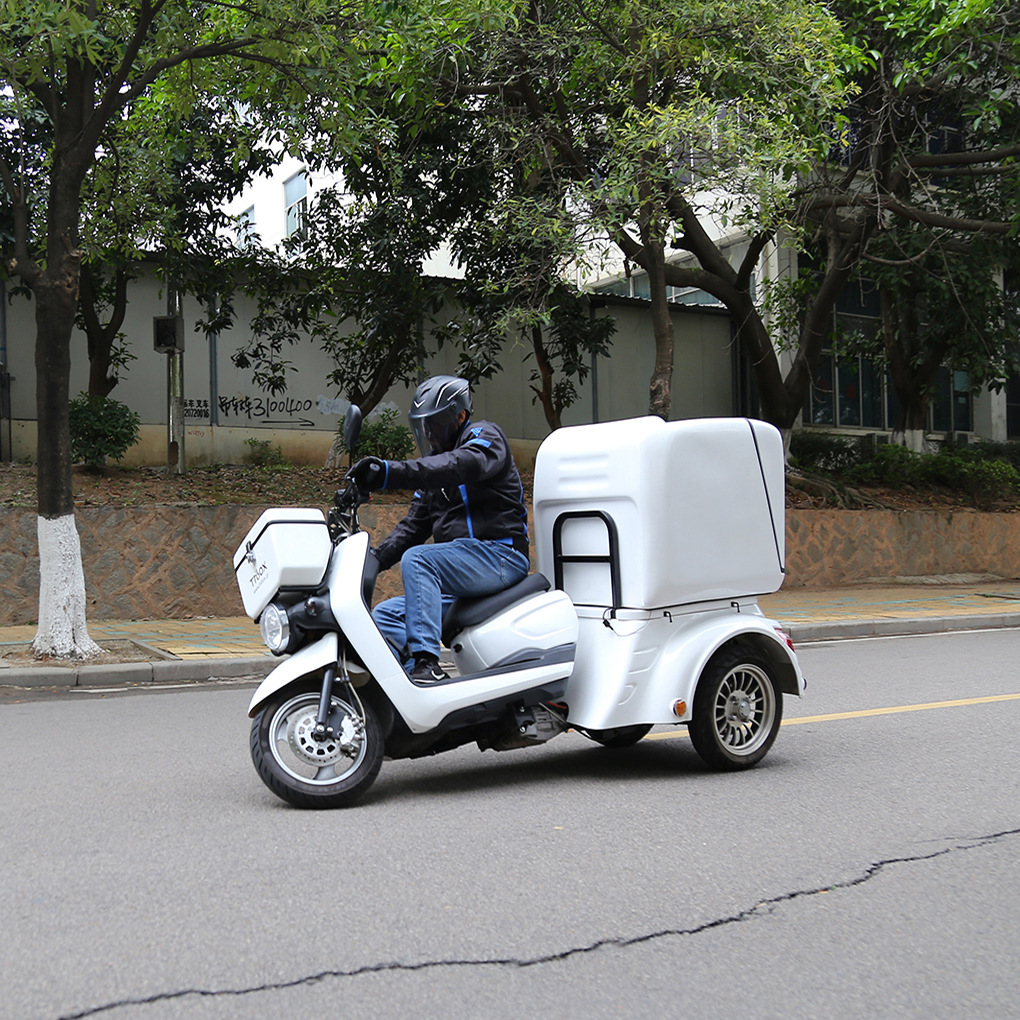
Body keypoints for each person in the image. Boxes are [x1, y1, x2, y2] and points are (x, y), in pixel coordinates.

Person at [348, 376, 530, 683]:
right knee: (386, 615)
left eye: (436, 424)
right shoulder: (434, 465)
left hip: (500, 556)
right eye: (424, 426)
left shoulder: (484, 439)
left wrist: (390, 473)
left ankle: (427, 664)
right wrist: (374, 560)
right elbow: (413, 526)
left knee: (420, 560)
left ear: (459, 416)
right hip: (464, 572)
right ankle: (415, 690)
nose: (429, 434)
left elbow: (460, 465)